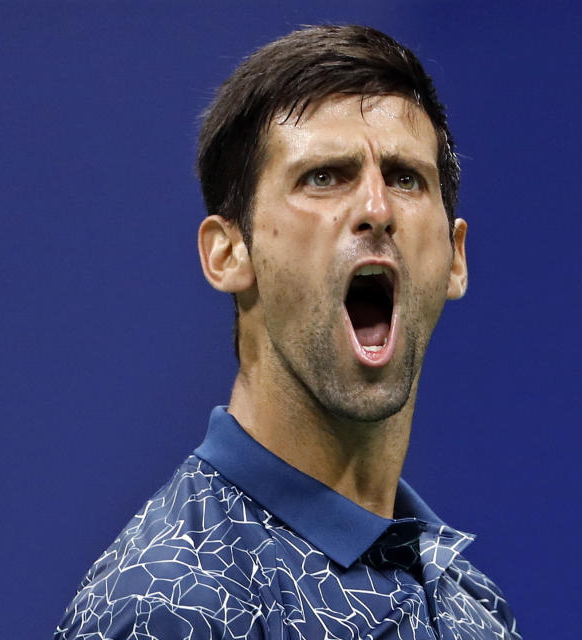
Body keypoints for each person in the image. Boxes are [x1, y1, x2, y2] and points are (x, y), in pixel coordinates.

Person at [56, 25, 520, 640]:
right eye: (325, 176)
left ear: (455, 258)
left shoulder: (472, 607)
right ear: (228, 254)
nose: (377, 210)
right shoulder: (171, 606)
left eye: (406, 178)